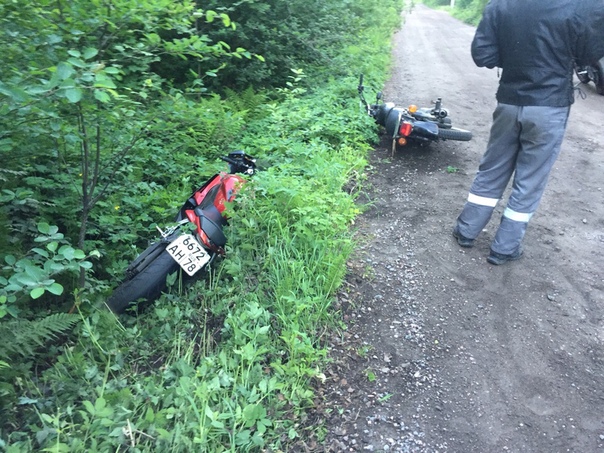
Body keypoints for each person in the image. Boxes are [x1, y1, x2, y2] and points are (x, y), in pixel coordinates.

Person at [452, 0, 604, 265]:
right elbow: (590, 53)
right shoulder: (578, 6)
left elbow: (483, 55)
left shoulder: (499, 6)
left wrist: (515, 60)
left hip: (509, 101)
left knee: (492, 168)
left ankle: (466, 231)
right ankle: (504, 248)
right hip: (549, 106)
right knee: (530, 179)